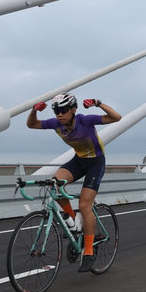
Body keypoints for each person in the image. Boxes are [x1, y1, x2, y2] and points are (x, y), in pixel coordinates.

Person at [27, 92, 121, 272]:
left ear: (73, 109)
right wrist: (33, 111)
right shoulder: (56, 124)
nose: (59, 115)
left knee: (85, 205)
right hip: (78, 161)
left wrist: (97, 103)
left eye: (63, 110)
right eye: (56, 111)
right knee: (54, 184)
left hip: (95, 162)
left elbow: (117, 117)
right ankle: (72, 221)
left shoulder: (84, 120)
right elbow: (31, 124)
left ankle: (88, 250)